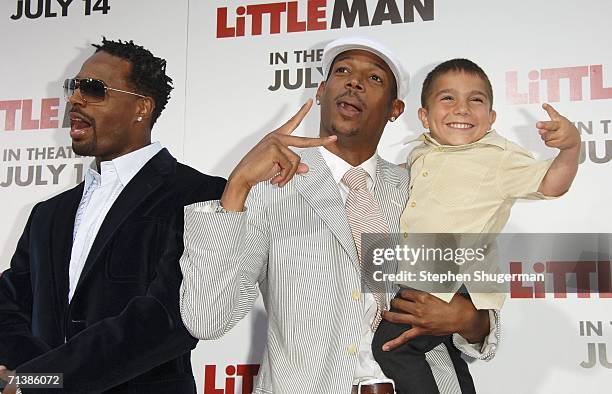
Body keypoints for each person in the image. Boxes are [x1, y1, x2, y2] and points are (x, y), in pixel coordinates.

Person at [179, 37, 498, 393]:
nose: (354, 82)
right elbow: (206, 319)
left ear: (395, 109)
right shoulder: (269, 190)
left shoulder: (423, 189)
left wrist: (471, 319)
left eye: (374, 78)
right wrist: (237, 186)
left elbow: (480, 316)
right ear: (321, 91)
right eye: (342, 71)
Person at [0, 38, 225, 393]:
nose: (75, 99)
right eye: (74, 88)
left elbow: (169, 319)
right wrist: (43, 378)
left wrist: (47, 381)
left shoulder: (199, 194)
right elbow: (8, 305)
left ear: (142, 108)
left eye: (93, 89)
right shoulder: (47, 214)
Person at [372, 58, 580, 394]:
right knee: (431, 352)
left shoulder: (498, 157)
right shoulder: (421, 154)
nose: (462, 109)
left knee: (392, 348)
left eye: (476, 100)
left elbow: (553, 183)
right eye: (448, 98)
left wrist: (571, 148)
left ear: (491, 118)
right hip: (424, 275)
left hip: (457, 279)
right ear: (424, 117)